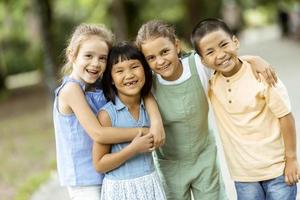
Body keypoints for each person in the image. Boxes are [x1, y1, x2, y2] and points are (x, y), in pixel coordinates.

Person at [135, 20, 277, 200]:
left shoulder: (198, 65)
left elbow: (222, 59)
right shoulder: (149, 84)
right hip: (170, 164)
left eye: (165, 52)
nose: (160, 61)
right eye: (151, 58)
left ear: (177, 46)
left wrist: (253, 59)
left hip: (204, 158)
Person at [191, 18, 299, 200]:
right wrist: (252, 58)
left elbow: (285, 116)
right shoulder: (212, 82)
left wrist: (292, 159)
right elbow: (180, 62)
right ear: (203, 60)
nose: (220, 54)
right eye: (210, 52)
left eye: (223, 44)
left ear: (235, 41)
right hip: (244, 176)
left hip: (278, 170)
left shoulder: (262, 76)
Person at [53, 23, 164, 200]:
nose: (95, 63)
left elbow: (144, 93)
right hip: (84, 181)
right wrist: (144, 131)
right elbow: (99, 134)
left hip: (108, 174)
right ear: (72, 55)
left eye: (102, 58)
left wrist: (157, 122)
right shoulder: (71, 90)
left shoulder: (96, 86)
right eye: (88, 56)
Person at [93, 42, 166, 200]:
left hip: (150, 183)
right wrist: (133, 149)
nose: (129, 75)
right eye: (119, 71)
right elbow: (99, 164)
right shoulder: (108, 115)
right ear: (111, 79)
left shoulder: (149, 106)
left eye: (134, 67)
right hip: (121, 189)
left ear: (145, 70)